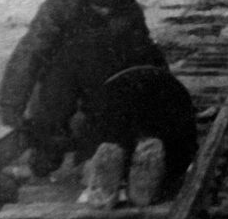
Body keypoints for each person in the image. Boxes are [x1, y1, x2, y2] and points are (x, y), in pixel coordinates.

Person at [0, 0, 160, 175]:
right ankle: (47, 151)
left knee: (112, 104)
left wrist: (162, 100)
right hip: (60, 78)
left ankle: (93, 158)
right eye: (99, 7)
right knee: (54, 99)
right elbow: (31, 51)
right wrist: (10, 104)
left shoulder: (128, 10)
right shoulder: (62, 4)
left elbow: (145, 55)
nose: (105, 11)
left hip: (103, 80)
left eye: (109, 8)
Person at [27, 25, 195, 207]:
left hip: (112, 122)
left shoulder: (63, 60)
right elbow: (170, 89)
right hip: (167, 122)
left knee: (101, 144)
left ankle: (105, 177)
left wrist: (46, 162)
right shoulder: (141, 42)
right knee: (145, 140)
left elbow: (52, 118)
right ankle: (148, 170)